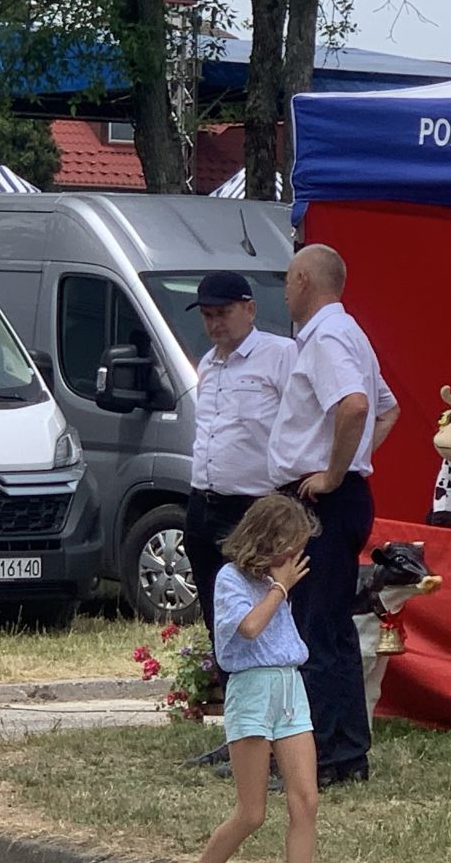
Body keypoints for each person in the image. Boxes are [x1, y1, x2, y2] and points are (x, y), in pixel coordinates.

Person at [268, 244, 400, 788]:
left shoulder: (325, 337)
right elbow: (388, 409)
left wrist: (333, 472)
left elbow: (357, 406)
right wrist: (352, 461)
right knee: (334, 627)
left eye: (287, 279)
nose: (283, 291)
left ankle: (318, 755)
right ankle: (346, 752)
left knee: (312, 629)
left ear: (304, 279)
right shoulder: (350, 333)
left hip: (319, 499)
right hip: (337, 495)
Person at [183, 271, 296, 768]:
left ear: (249, 309)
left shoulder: (279, 355)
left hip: (254, 505)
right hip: (205, 499)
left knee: (262, 624)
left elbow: (304, 421)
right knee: (222, 622)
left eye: (223, 313)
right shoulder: (209, 364)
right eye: (207, 315)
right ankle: (241, 735)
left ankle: (273, 738)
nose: (215, 324)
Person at [199, 493, 319, 863]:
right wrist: (279, 589)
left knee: (306, 801)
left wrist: (278, 586)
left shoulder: (272, 581)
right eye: (288, 549)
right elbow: (250, 628)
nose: (292, 558)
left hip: (289, 688)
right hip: (252, 689)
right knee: (252, 813)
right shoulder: (231, 579)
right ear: (265, 542)